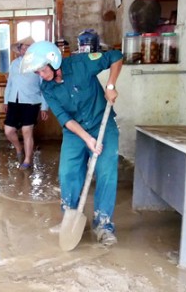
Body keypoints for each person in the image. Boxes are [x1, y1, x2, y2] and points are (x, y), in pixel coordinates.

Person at [21, 41, 123, 246]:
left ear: (53, 61)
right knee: (67, 172)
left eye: (42, 70)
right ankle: (70, 217)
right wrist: (87, 138)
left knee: (106, 171)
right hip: (75, 132)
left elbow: (116, 56)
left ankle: (103, 224)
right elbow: (64, 118)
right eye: (37, 72)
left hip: (101, 123)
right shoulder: (47, 88)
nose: (41, 75)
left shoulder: (81, 64)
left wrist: (110, 85)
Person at [4, 37, 49, 170]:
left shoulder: (39, 64)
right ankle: (19, 148)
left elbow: (44, 86)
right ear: (19, 50)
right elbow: (10, 83)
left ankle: (27, 159)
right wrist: (6, 100)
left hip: (31, 101)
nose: (25, 50)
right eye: (23, 48)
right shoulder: (14, 64)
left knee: (26, 130)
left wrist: (44, 107)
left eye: (28, 48)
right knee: (8, 131)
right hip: (14, 100)